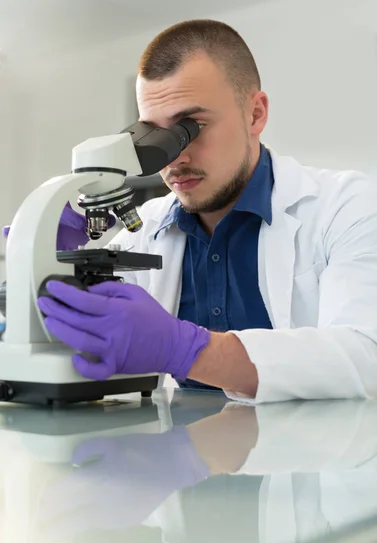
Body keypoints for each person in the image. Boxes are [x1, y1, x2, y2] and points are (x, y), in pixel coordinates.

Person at [12, 20, 377, 403]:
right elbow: (81, 341)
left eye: (192, 127)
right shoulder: (143, 230)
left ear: (255, 114)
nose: (174, 156)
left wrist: (189, 350)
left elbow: (366, 356)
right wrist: (33, 267)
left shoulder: (347, 207)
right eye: (155, 134)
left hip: (316, 458)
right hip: (181, 456)